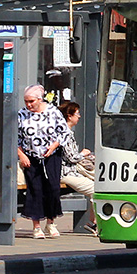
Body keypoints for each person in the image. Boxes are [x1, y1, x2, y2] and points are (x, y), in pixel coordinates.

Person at [18, 83, 69, 239]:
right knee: (35, 189)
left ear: (40, 99)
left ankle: (51, 222)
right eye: (26, 101)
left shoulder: (53, 112)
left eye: (32, 101)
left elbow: (64, 132)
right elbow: (15, 137)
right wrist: (21, 155)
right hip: (31, 156)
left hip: (51, 156)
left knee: (53, 188)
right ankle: (36, 226)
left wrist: (53, 147)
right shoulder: (21, 114)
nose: (29, 105)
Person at [58, 100, 98, 234]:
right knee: (95, 190)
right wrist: (83, 153)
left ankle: (93, 223)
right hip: (66, 173)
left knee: (96, 186)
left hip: (71, 171)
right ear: (69, 116)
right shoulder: (65, 133)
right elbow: (71, 158)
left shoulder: (67, 131)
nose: (79, 116)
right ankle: (95, 224)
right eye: (77, 114)